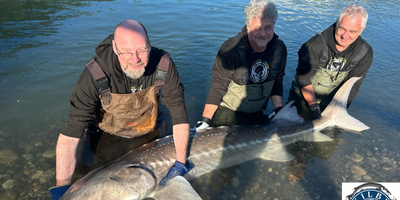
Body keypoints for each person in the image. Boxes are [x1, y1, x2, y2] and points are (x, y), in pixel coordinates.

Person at [49, 19, 192, 199]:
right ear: (115, 47)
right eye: (126, 52)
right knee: (87, 177)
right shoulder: (95, 73)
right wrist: (62, 187)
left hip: (149, 128)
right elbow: (71, 133)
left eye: (142, 50)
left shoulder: (163, 64)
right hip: (106, 134)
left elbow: (178, 113)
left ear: (149, 44)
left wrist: (180, 162)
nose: (135, 59)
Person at [196, 0, 287, 131]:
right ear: (248, 25)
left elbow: (277, 81)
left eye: (268, 27)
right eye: (257, 28)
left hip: (257, 110)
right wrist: (205, 121)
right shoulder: (231, 49)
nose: (262, 33)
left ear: (274, 25)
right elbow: (218, 86)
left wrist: (279, 111)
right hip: (228, 112)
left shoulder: (280, 49)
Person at [288, 4, 373, 121]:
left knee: (330, 138)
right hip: (302, 96)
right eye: (342, 28)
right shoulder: (314, 46)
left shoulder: (364, 53)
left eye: (352, 31)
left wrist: (340, 110)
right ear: (337, 23)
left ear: (362, 30)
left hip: (332, 102)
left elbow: (353, 85)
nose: (345, 36)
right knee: (295, 131)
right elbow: (304, 78)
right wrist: (313, 106)